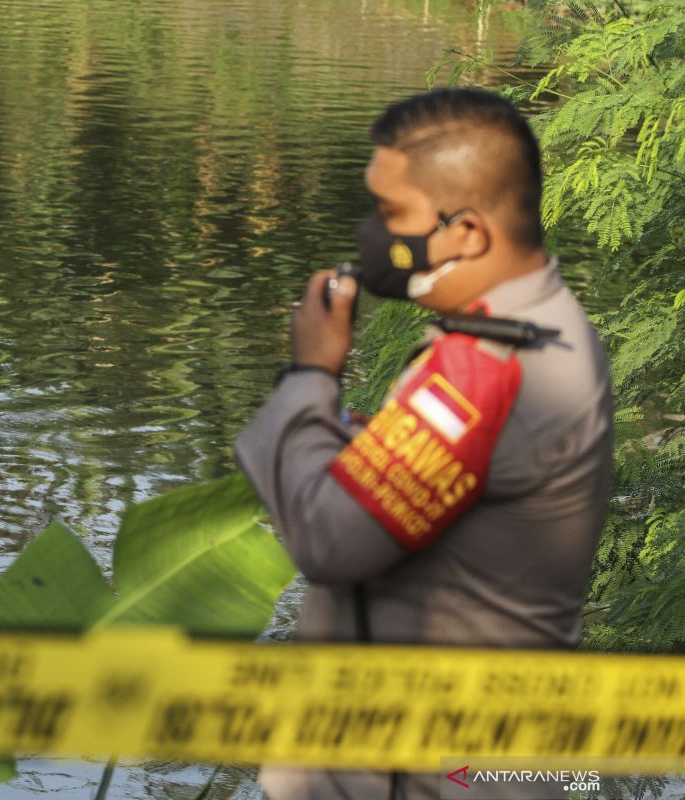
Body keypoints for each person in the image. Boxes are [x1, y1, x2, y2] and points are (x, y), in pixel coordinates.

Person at [232, 88, 613, 799]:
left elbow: (327, 540)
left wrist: (310, 375)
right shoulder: (550, 323)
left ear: (466, 232)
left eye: (391, 214)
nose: (371, 235)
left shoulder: (483, 373)